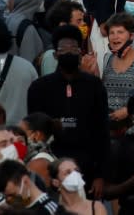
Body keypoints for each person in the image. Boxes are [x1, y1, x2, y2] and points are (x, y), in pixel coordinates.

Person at [26, 25, 110, 197]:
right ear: (56, 54)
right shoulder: (39, 87)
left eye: (74, 48)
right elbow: (35, 133)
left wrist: (100, 175)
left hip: (87, 165)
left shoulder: (94, 86)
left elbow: (102, 131)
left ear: (80, 52)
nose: (69, 53)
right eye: (64, 49)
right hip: (52, 163)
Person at [0, 160, 65, 215]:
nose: (9, 200)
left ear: (25, 181)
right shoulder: (15, 210)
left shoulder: (51, 210)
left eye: (12, 194)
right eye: (5, 196)